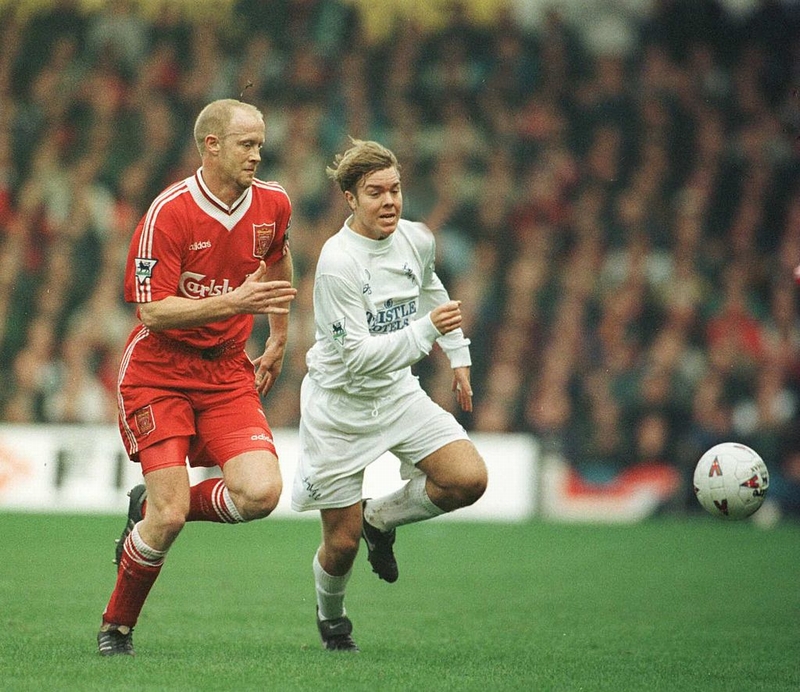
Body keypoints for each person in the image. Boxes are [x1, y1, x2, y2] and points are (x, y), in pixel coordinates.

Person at [97, 98, 296, 656]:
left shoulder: (274, 203)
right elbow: (152, 310)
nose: (257, 155)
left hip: (227, 369)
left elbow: (278, 261)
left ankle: (149, 506)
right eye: (246, 144)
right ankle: (117, 626)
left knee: (261, 494)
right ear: (211, 145)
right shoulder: (169, 212)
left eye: (260, 145)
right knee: (170, 517)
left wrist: (279, 336)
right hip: (159, 370)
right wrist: (234, 301)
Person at [292, 138, 488, 652]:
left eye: (395, 190)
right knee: (340, 545)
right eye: (375, 192)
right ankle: (332, 618)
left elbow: (431, 290)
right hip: (340, 406)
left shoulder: (417, 239)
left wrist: (458, 354)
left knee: (468, 478)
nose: (389, 201)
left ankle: (380, 518)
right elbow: (358, 358)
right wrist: (427, 332)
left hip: (397, 393)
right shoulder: (337, 263)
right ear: (350, 199)